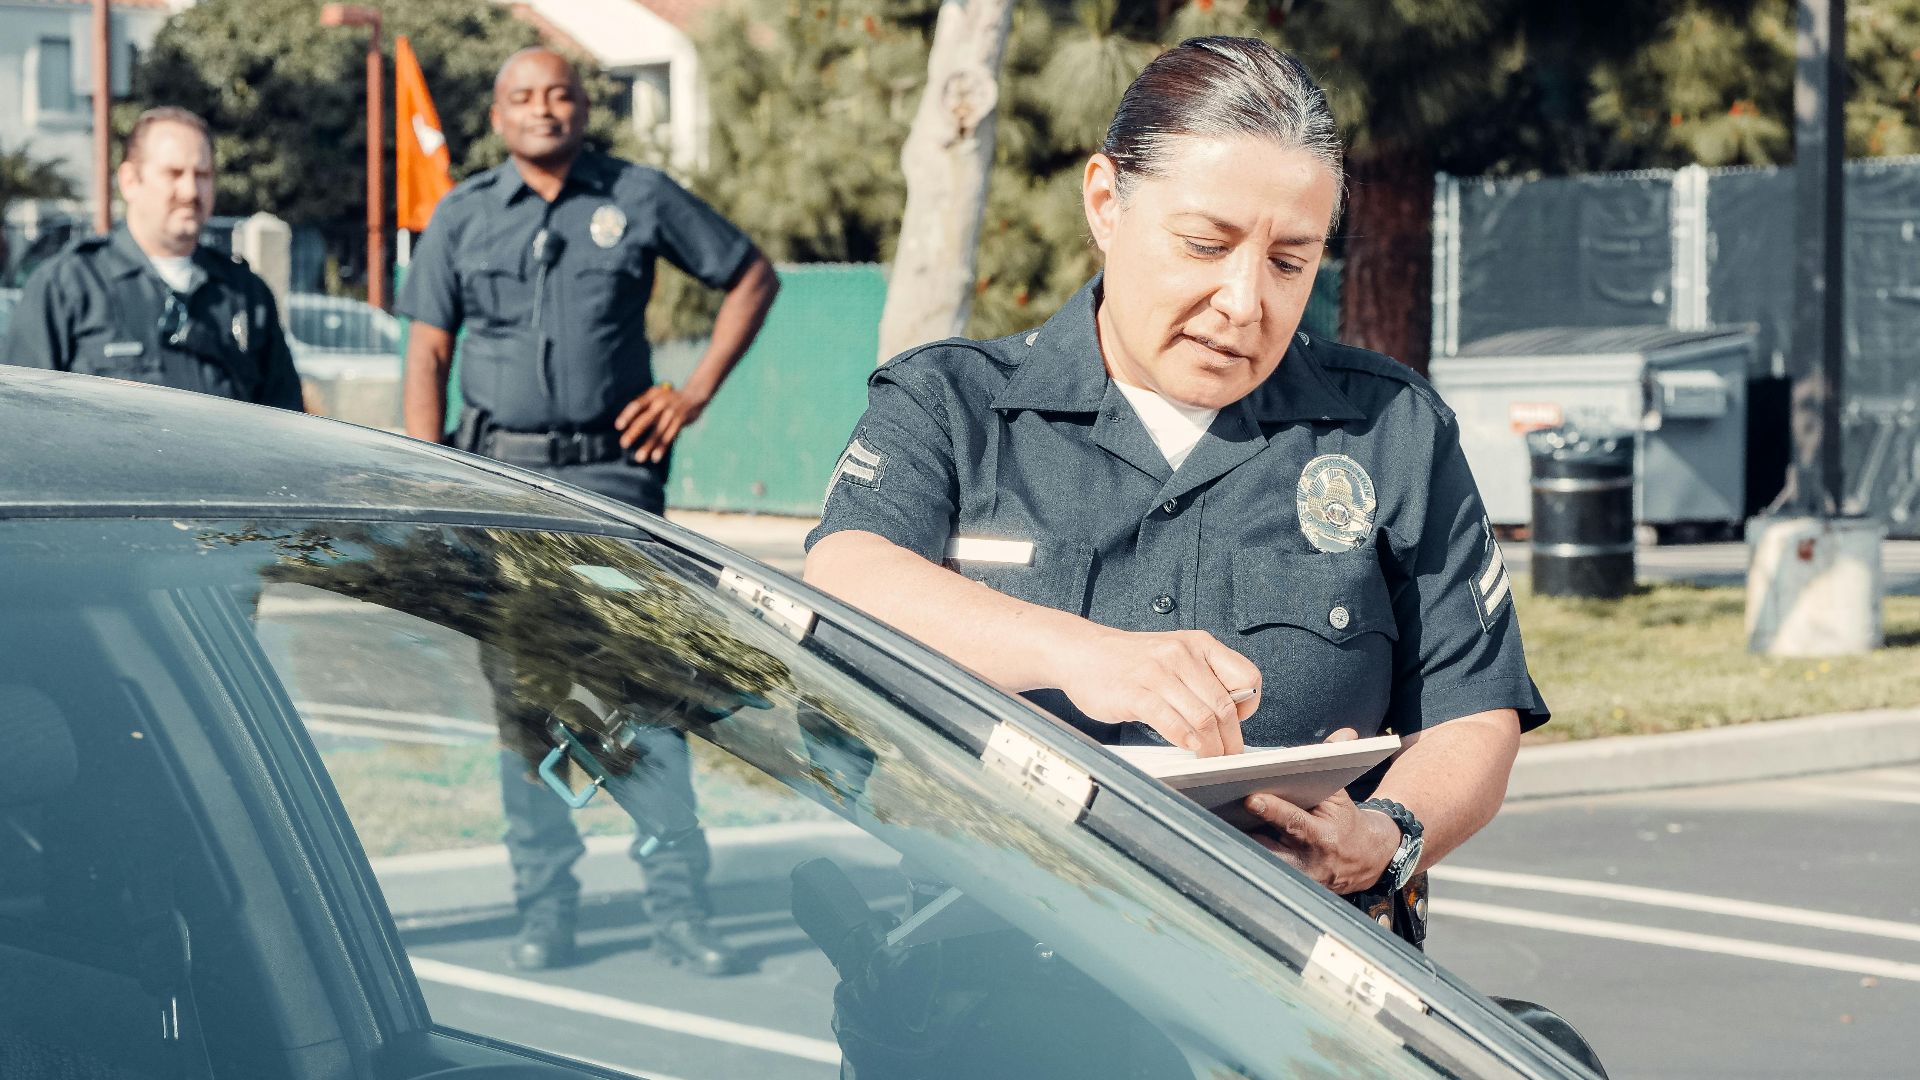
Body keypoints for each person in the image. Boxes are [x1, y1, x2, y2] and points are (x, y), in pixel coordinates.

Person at [804, 37, 1547, 946]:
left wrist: (1383, 840)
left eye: (1290, 262)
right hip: (986, 971)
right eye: (1206, 245)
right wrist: (1086, 654)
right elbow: (847, 573)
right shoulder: (952, 404)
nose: (1244, 300)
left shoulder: (1392, 431)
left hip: (1295, 984)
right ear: (1106, 202)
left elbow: (1473, 712)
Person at [398, 47, 779, 975]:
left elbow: (752, 276)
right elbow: (426, 357)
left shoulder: (639, 196)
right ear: (497, 116)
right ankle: (546, 909)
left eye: (560, 93)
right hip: (499, 486)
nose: (544, 108)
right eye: (523, 96)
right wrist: (427, 484)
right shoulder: (462, 214)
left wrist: (690, 393)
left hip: (613, 482)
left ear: (582, 106)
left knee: (643, 693)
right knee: (530, 709)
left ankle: (679, 909)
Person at [2, 107, 303, 411]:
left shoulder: (246, 296)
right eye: (173, 173)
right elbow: (24, 421)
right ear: (131, 181)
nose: (189, 191)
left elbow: (285, 424)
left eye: (202, 175)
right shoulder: (67, 288)